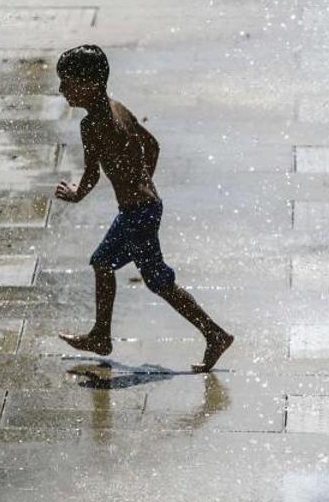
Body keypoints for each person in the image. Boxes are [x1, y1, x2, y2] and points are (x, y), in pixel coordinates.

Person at [53, 44, 233, 373]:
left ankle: (214, 333)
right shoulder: (117, 107)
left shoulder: (92, 125)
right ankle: (101, 335)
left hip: (137, 213)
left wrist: (77, 194)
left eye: (67, 82)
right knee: (102, 262)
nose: (62, 89)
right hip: (144, 206)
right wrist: (140, 181)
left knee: (158, 281)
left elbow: (92, 173)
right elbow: (152, 145)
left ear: (89, 84)